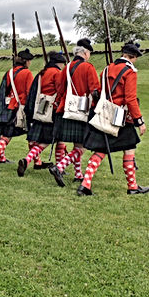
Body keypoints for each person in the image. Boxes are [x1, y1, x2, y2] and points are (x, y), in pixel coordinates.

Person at [77, 42, 149, 196]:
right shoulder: (130, 72)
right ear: (133, 57)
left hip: (105, 114)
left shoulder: (106, 69)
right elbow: (130, 99)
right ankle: (132, 186)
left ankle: (85, 184)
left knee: (101, 150)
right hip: (121, 117)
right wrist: (139, 121)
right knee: (129, 149)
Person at [48, 39, 101, 187]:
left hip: (67, 109)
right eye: (89, 53)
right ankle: (59, 167)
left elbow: (60, 88)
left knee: (78, 145)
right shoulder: (88, 67)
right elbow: (95, 90)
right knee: (82, 147)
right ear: (85, 52)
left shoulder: (66, 68)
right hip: (83, 110)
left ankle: (78, 174)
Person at [17, 51, 68, 177]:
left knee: (48, 140)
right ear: (59, 63)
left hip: (42, 109)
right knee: (57, 140)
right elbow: (60, 91)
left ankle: (27, 159)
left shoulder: (42, 73)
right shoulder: (57, 73)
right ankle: (59, 167)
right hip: (53, 111)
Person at [0, 49, 35, 172]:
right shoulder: (27, 73)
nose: (30, 63)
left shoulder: (9, 72)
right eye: (29, 61)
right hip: (20, 109)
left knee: (7, 135)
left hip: (9, 107)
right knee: (26, 135)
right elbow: (29, 93)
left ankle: (37, 161)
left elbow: (4, 91)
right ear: (26, 61)